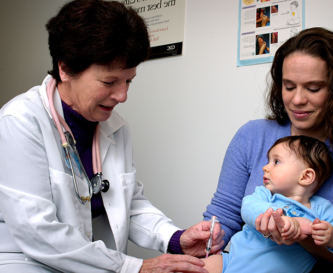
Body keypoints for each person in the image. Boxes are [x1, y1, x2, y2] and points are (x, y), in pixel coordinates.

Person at [0, 1, 224, 272]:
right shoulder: (20, 122)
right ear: (65, 69)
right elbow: (37, 231)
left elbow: (128, 203)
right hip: (25, 262)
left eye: (128, 81)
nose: (122, 96)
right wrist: (134, 268)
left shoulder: (115, 127)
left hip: (93, 262)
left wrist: (175, 238)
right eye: (109, 82)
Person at [203, 27, 333, 272]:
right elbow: (224, 216)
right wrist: (205, 241)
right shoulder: (252, 136)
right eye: (289, 87)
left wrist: (299, 232)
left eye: (313, 89)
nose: (297, 100)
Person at [202, 136, 333, 273]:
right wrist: (281, 219)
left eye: (276, 161)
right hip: (229, 263)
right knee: (199, 266)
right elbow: (248, 207)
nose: (265, 167)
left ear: (306, 176)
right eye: (268, 161)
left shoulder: (321, 210)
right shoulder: (265, 195)